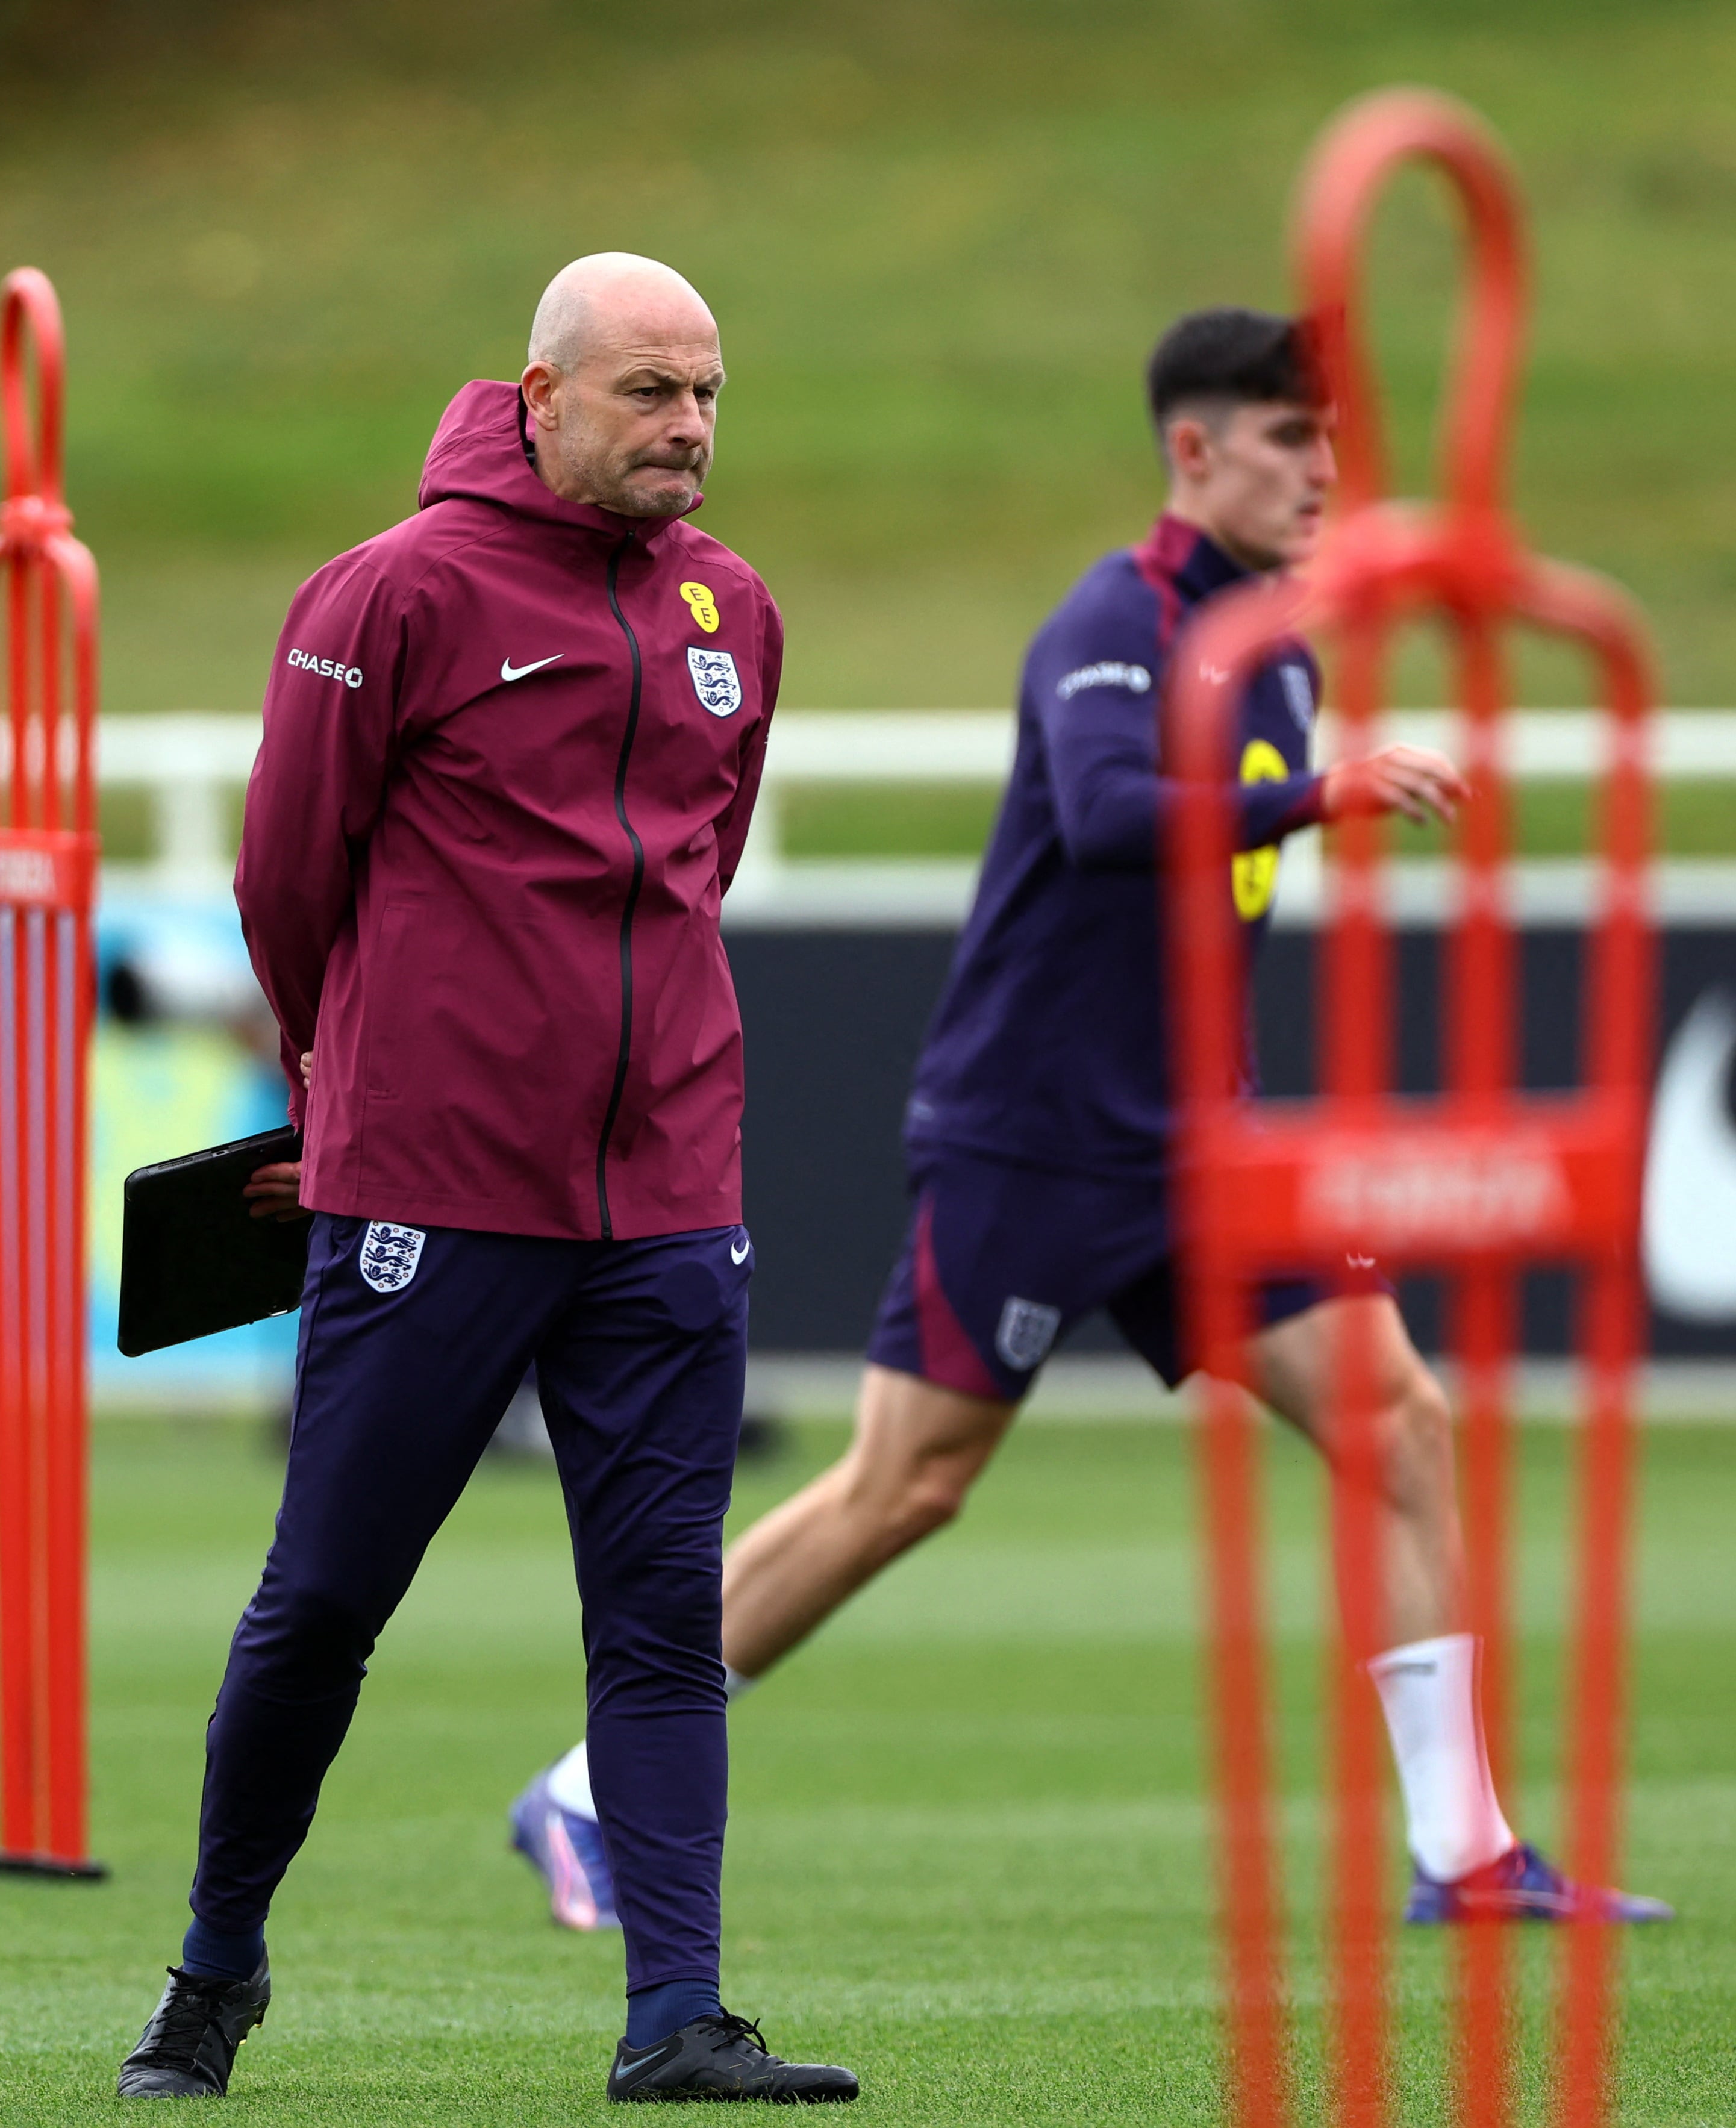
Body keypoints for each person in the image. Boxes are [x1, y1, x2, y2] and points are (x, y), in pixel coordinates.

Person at [510, 306, 1671, 1936]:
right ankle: (580, 1795)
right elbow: (1116, 816)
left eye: (1330, 438)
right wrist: (1317, 795)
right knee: (899, 1491)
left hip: (1206, 1151)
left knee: (1398, 1423)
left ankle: (1464, 1851)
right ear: (1192, 451)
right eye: (1285, 438)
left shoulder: (1272, 639)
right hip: (1035, 1139)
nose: (1321, 469)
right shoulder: (1111, 620)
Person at [112, 254, 858, 2106]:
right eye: (647, 393)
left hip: (670, 1195)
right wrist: (340, 1095)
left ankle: (674, 2017)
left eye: (706, 394)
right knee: (323, 1605)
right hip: (428, 1193)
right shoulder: (391, 592)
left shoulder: (732, 608)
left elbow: (702, 858)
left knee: (660, 1616)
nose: (687, 427)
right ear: (536, 394)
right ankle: (213, 1974)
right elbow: (286, 884)